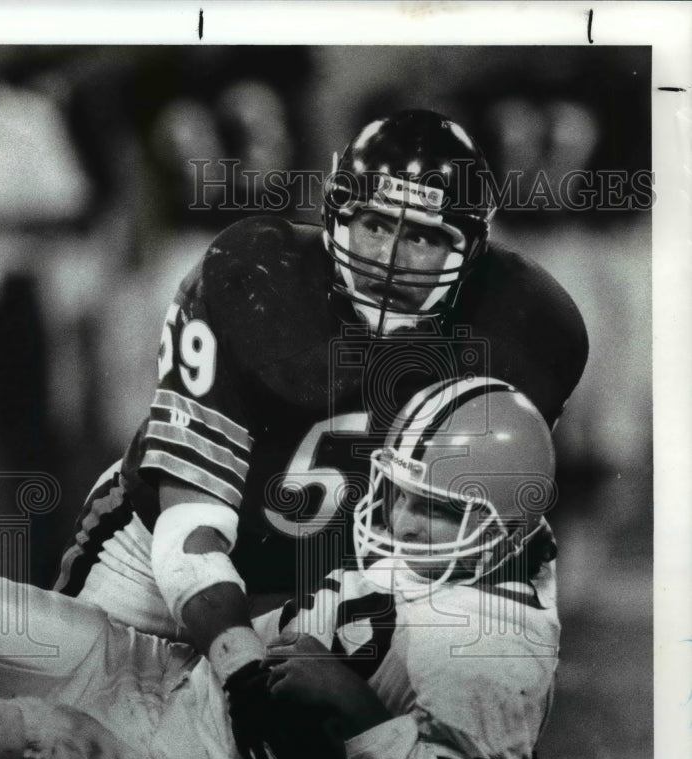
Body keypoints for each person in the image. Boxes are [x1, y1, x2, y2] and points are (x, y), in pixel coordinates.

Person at [52, 109, 588, 705]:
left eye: (423, 237)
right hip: (156, 566)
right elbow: (189, 528)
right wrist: (239, 662)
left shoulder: (526, 330)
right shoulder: (255, 279)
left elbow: (490, 543)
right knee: (70, 730)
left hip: (337, 591)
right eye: (376, 225)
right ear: (336, 214)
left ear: (473, 246)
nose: (391, 259)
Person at [0, 378, 581, 759]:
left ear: (507, 526)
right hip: (167, 672)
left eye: (436, 509)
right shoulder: (469, 565)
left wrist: (356, 708)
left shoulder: (498, 650)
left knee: (34, 747)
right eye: (402, 494)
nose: (406, 523)